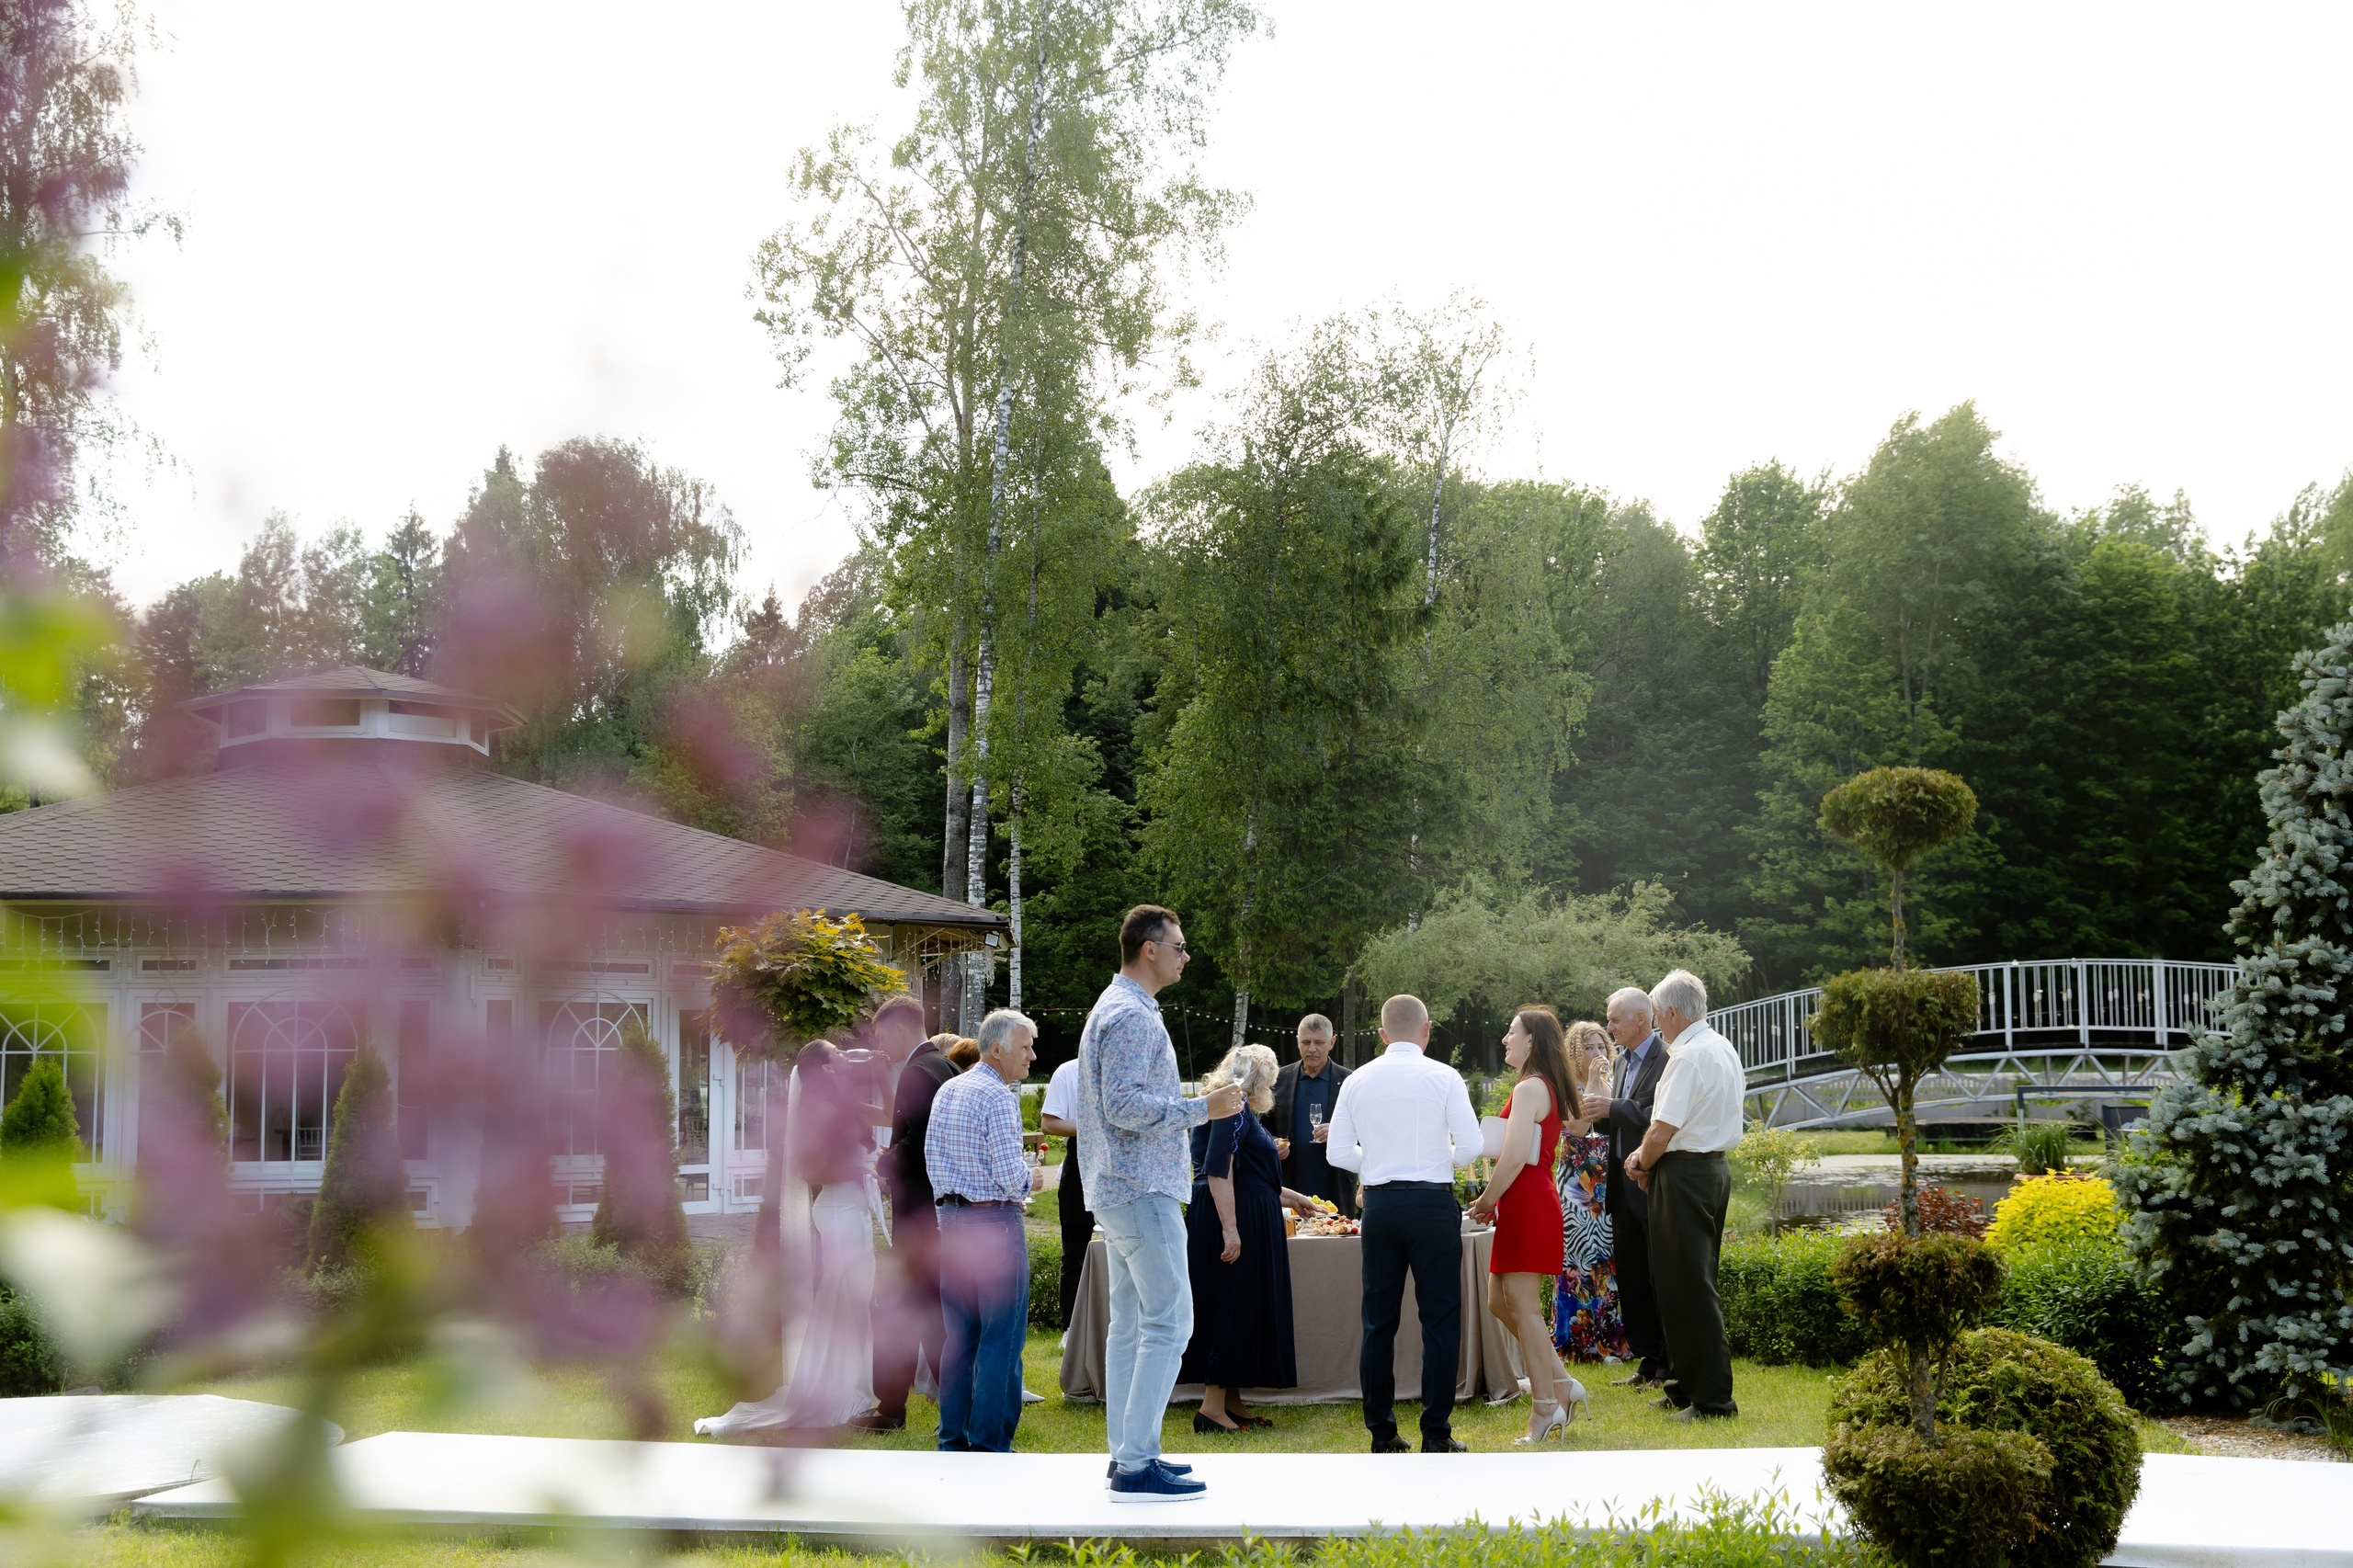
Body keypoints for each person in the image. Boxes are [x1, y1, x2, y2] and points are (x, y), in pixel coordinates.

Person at [1073, 904, 1247, 1502]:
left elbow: (1129, 1100)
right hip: (1139, 1188)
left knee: (1131, 1328)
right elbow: (1124, 1107)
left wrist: (1198, 1099)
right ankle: (1137, 1460)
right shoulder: (1129, 1016)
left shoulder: (1121, 1009)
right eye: (1178, 945)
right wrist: (1207, 1108)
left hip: (1120, 1187)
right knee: (1170, 1322)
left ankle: (1128, 1455)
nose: (1185, 955)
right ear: (1150, 949)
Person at [694, 1026, 896, 1439]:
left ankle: (860, 1386)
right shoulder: (815, 1113)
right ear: (826, 1066)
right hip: (838, 1212)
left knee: (854, 1304)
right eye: (838, 1053)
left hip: (853, 1210)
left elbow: (892, 1117)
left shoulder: (843, 1105)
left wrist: (879, 1077)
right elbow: (811, 1171)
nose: (845, 1055)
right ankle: (830, 1388)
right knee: (844, 1302)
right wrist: (864, 1168)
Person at [1324, 993, 1483, 1455]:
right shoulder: (1445, 1075)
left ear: (1382, 1034)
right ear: (1427, 1030)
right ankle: (1436, 1431)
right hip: (1432, 1204)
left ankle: (1382, 1431)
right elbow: (1472, 1145)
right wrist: (1439, 1160)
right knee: (1440, 1319)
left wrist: (1374, 1163)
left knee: (1378, 1321)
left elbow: (1336, 1154)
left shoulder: (1357, 1080)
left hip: (1381, 1205)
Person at [1623, 969, 1745, 1420]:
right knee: (1681, 1281)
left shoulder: (1687, 1057)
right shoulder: (1722, 1047)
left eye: (1656, 1015)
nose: (1655, 1025)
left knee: (1689, 1287)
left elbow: (1661, 1129)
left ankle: (1713, 1400)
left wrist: (1639, 1162)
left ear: (1671, 1012)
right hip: (1711, 1170)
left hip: (1685, 1173)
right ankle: (1681, 1385)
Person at [1466, 1006, 1591, 1442]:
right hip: (1524, 1200)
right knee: (1499, 1301)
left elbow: (1516, 1155)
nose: (1504, 1039)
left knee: (1524, 1308)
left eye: (1511, 1032)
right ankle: (1561, 1383)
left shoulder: (1531, 1087)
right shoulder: (1540, 1085)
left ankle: (1545, 1407)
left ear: (1532, 1040)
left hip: (1527, 1199)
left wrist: (1485, 1199)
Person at [925, 1007, 1047, 1452]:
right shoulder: (998, 1097)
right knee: (1001, 1338)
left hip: (953, 1221)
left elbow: (933, 1165)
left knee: (959, 1338)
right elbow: (1009, 1177)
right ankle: (990, 1446)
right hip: (994, 1222)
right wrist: (1032, 1179)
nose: (1032, 1055)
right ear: (997, 1049)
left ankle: (953, 1441)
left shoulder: (948, 1090)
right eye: (1026, 1047)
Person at [1181, 1043, 1318, 1431]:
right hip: (1232, 1216)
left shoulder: (1230, 1105)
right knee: (1231, 1304)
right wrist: (1230, 1228)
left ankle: (1232, 1403)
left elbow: (1250, 1177)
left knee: (1244, 1305)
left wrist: (1294, 1198)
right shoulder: (1234, 1106)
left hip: (1244, 1211)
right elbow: (1219, 1170)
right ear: (1265, 1079)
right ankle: (1210, 1409)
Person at [872, 998, 959, 1429]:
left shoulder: (916, 1071)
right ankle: (909, 1406)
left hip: (918, 1213)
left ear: (901, 1029)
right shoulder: (946, 1067)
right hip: (940, 1211)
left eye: (882, 1035)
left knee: (906, 1312)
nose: (880, 1045)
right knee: (930, 1314)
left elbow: (919, 1144)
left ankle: (894, 1409)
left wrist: (885, 1163)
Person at [1581, 986, 1671, 1385]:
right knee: (1632, 1278)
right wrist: (1600, 1111)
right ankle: (1647, 1360)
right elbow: (1618, 1118)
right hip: (1620, 1184)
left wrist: (1613, 1108)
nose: (1609, 1026)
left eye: (1615, 1019)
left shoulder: (1668, 1058)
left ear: (1641, 1018)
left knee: (1659, 1276)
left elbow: (1662, 1115)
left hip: (1651, 1182)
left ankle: (1668, 1363)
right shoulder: (1619, 1064)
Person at [1552, 1019, 1631, 1365]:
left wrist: (1605, 1084)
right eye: (1589, 1047)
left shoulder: (1616, 1082)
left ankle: (1612, 1340)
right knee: (1577, 1260)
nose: (1597, 1053)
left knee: (1606, 1260)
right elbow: (1579, 1126)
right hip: (1575, 1186)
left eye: (1601, 1046)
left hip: (1607, 1183)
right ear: (1574, 1052)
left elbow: (1619, 1122)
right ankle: (1578, 1341)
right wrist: (1596, 1082)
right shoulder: (1565, 1085)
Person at [1263, 1014, 1355, 1211]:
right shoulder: (1279, 1079)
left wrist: (1341, 1132)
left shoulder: (1350, 1081)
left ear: (1332, 1042)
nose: (1312, 1049)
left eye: (1319, 1042)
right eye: (1306, 1042)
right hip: (1288, 1185)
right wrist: (1272, 1144)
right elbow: (1261, 1128)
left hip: (1336, 1184)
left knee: (1336, 1239)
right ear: (1297, 1042)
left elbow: (1368, 1132)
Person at [1039, 1053, 1094, 1332]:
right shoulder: (1069, 1070)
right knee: (1074, 1253)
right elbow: (1049, 1124)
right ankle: (1070, 1329)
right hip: (1081, 1159)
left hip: (1125, 1163)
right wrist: (1093, 1130)